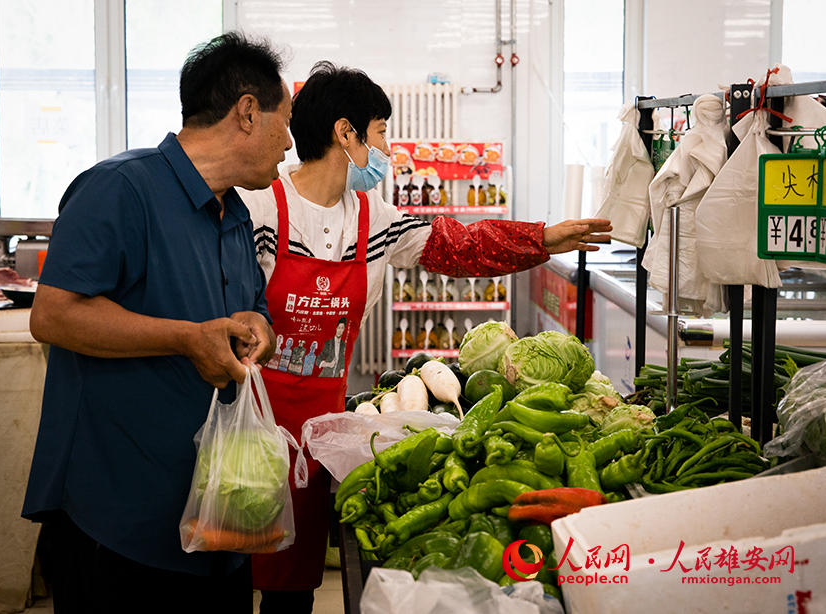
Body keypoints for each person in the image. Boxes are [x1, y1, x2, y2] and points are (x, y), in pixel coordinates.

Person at [240, 60, 612, 613]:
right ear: (346, 133)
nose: (387, 147)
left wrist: (543, 237)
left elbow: (463, 246)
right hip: (251, 421)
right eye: (381, 131)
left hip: (323, 426)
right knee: (232, 565)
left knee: (293, 587)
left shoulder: (376, 218)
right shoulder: (260, 209)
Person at [21, 32, 291, 614]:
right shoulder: (121, 189)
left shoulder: (236, 215)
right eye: (284, 122)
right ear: (248, 112)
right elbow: (54, 314)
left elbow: (254, 307)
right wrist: (185, 338)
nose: (289, 144)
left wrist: (258, 328)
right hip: (120, 523)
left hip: (216, 521)